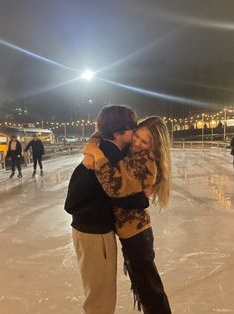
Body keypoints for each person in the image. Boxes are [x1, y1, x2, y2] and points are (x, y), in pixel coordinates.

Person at [64, 105, 149, 314]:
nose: (135, 133)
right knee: (100, 298)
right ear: (118, 133)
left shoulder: (103, 148)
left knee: (100, 294)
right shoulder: (108, 156)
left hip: (91, 230)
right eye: (132, 129)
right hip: (94, 233)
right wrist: (142, 198)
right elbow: (118, 194)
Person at [84, 116, 172, 314]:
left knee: (150, 289)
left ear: (154, 146)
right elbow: (103, 130)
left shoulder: (145, 161)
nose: (137, 143)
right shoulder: (131, 154)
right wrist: (92, 144)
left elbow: (113, 186)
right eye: (137, 136)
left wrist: (96, 155)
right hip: (131, 234)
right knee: (143, 288)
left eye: (144, 141)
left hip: (137, 236)